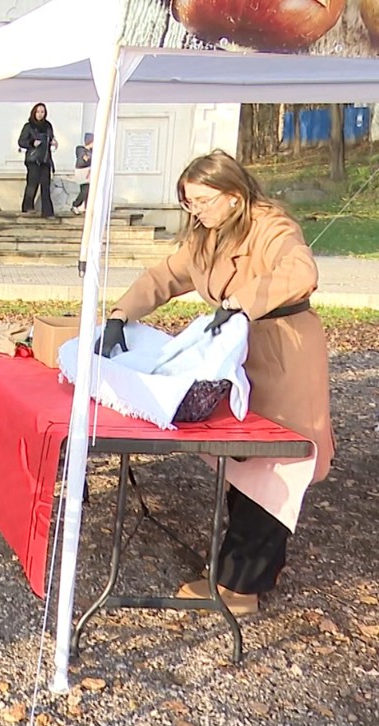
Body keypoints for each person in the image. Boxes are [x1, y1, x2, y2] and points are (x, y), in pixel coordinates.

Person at [99, 150, 333, 615]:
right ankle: (247, 571)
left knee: (274, 467)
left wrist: (242, 301)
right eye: (189, 203)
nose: (196, 211)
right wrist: (120, 315)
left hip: (285, 355)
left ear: (233, 195)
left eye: (203, 200)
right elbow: (165, 276)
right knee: (243, 462)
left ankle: (240, 589)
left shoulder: (270, 224)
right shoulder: (209, 234)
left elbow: (301, 269)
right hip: (240, 357)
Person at [18, 103, 58, 218]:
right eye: (38, 112)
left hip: (45, 159)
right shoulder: (29, 126)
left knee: (45, 185)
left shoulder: (48, 126)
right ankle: (27, 206)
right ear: (34, 112)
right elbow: (21, 142)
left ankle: (48, 212)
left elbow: (50, 137)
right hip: (33, 159)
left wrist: (53, 142)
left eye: (42, 112)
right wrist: (32, 143)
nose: (40, 114)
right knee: (32, 184)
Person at [72, 132, 93, 215]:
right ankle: (75, 205)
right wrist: (85, 157)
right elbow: (82, 156)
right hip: (82, 172)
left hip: (88, 171)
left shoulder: (92, 151)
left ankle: (86, 207)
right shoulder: (81, 149)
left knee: (88, 190)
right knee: (85, 190)